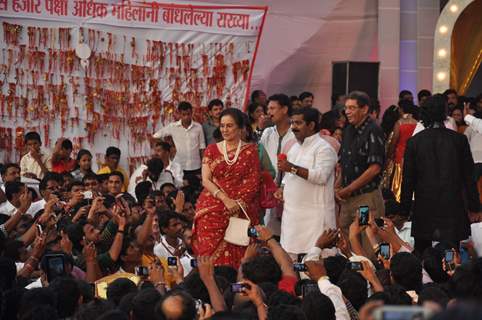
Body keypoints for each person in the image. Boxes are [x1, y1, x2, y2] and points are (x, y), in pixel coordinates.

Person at [400, 94, 480, 255]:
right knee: (450, 252)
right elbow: (469, 177)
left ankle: (425, 278)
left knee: (423, 251)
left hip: (424, 205)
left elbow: (408, 180)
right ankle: (450, 277)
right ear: (445, 113)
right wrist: (474, 206)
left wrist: (404, 210)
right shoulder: (459, 140)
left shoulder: (414, 142)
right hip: (452, 205)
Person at [192, 108, 261, 268]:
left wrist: (238, 204)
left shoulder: (250, 151)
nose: (224, 130)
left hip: (240, 209)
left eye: (229, 126)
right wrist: (226, 200)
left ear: (241, 127)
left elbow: (253, 182)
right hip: (212, 209)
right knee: (208, 253)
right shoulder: (212, 150)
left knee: (239, 250)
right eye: (222, 126)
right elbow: (206, 180)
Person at [276, 107, 337, 258]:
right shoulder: (294, 147)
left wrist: (291, 168)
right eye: (292, 123)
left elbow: (321, 176)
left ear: (311, 125)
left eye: (298, 123)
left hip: (315, 217)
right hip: (292, 216)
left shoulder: (324, 149)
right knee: (291, 260)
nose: (293, 127)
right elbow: (287, 176)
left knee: (317, 259)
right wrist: (282, 188)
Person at [337, 91, 386, 258]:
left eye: (352, 108)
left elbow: (375, 168)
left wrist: (349, 188)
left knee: (369, 243)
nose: (347, 112)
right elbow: (343, 163)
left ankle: (374, 281)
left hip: (365, 199)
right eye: (346, 108)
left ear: (365, 109)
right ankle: (353, 280)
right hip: (347, 199)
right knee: (346, 242)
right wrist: (338, 185)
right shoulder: (348, 130)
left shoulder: (373, 130)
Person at [259, 94, 296, 236]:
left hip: (290, 187)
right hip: (269, 189)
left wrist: (283, 186)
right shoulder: (268, 132)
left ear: (285, 109)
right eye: (268, 108)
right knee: (269, 231)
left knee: (289, 230)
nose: (269, 112)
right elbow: (258, 154)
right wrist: (260, 130)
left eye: (273, 108)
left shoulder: (296, 133)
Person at [153, 101, 206, 185]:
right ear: (179, 114)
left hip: (196, 166)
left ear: (192, 113)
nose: (186, 117)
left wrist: (204, 165)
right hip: (180, 167)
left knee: (198, 190)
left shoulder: (198, 127)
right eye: (184, 114)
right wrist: (168, 146)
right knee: (182, 190)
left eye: (188, 114)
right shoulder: (172, 127)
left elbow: (202, 147)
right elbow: (156, 136)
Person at [386, 100, 418, 201]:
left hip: (400, 156)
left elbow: (394, 140)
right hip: (413, 157)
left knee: (399, 182)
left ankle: (398, 203)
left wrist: (389, 154)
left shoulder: (399, 123)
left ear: (401, 109)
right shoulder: (416, 123)